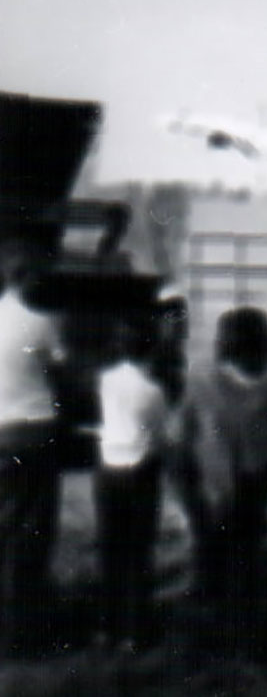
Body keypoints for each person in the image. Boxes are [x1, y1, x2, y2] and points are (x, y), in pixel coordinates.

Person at [172, 307, 267, 631]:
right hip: (215, 490)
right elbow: (181, 439)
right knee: (219, 557)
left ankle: (234, 623)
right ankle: (219, 622)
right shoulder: (206, 385)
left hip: (244, 488)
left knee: (240, 559)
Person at [0, 239, 65, 656]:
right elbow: (61, 373)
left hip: (1, 432)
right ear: (24, 277)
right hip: (37, 430)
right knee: (34, 531)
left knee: (4, 526)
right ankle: (27, 632)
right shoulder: (41, 323)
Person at [93, 316, 170, 652]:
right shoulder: (154, 391)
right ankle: (136, 632)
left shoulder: (106, 380)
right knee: (139, 552)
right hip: (140, 471)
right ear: (149, 352)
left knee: (111, 550)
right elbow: (159, 436)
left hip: (108, 470)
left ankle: (108, 627)